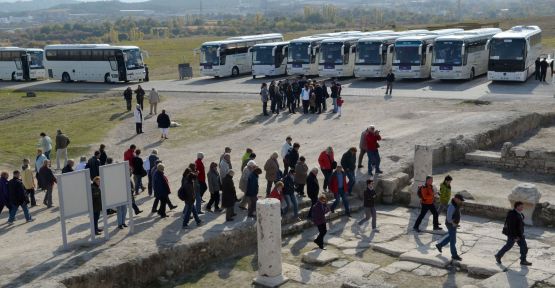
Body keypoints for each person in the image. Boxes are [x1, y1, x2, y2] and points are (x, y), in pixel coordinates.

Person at [495, 201, 532, 266]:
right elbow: (511, 227)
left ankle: (523, 260)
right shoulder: (512, 214)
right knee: (508, 246)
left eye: (523, 206)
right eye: (521, 206)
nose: (522, 208)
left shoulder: (520, 213)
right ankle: (498, 255)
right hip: (513, 235)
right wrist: (515, 237)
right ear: (517, 206)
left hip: (520, 234)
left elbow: (519, 223)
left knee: (524, 247)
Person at [436, 194, 465, 261]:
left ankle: (439, 245)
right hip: (450, 225)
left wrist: (456, 223)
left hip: (453, 225)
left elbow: (456, 213)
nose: (461, 201)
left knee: (451, 238)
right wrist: (453, 223)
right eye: (460, 200)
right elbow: (449, 218)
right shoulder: (452, 206)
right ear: (456, 199)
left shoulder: (456, 204)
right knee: (453, 241)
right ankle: (454, 255)